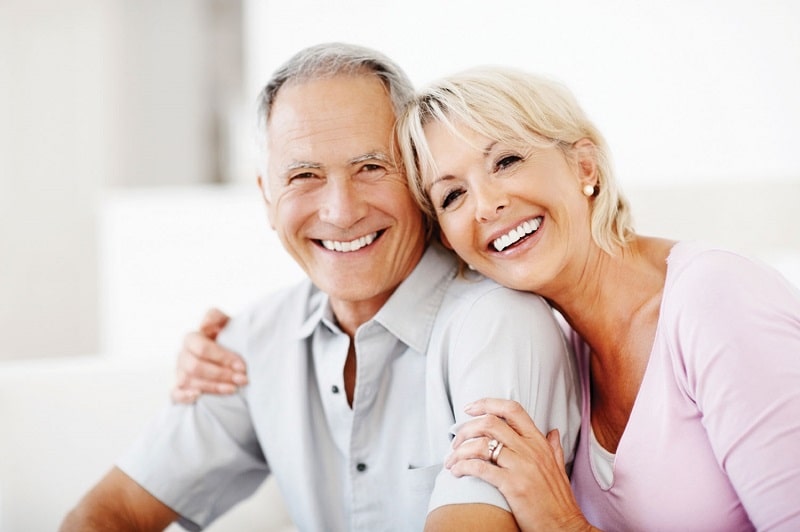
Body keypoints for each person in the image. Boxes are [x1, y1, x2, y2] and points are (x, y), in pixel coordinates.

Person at [60, 44, 581, 531]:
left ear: (419, 178)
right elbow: (107, 512)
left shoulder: (495, 323)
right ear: (267, 197)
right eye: (304, 176)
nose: (341, 211)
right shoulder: (253, 341)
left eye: (371, 168)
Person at [391, 66, 800, 531]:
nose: (486, 205)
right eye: (452, 196)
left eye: (505, 161)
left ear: (584, 165)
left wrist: (563, 522)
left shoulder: (717, 296)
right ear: (447, 240)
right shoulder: (562, 353)